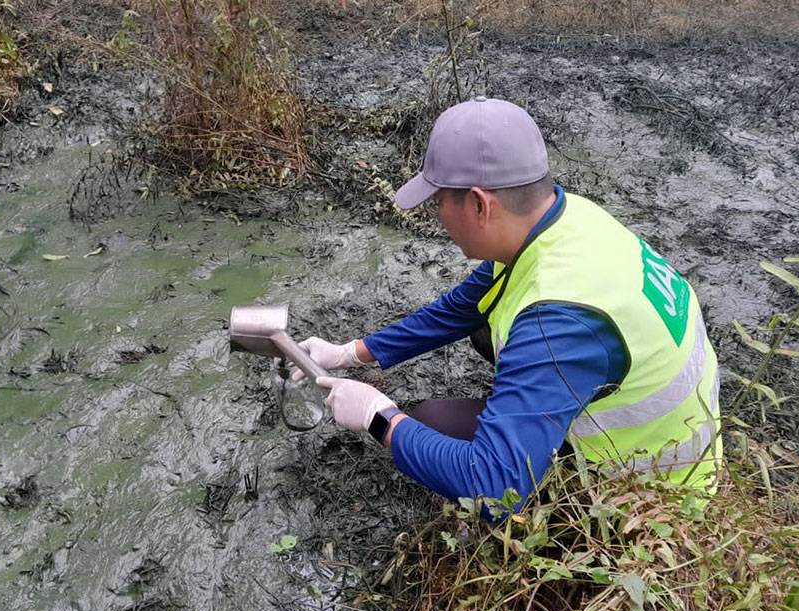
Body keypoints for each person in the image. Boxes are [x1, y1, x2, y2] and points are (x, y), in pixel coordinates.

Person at [307, 97, 722, 512]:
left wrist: (379, 417)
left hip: (647, 497)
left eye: (438, 203)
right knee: (483, 326)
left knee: (429, 424)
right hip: (665, 434)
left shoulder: (557, 321)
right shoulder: (567, 217)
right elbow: (461, 307)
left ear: (478, 204)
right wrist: (351, 353)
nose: (437, 215)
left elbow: (494, 489)